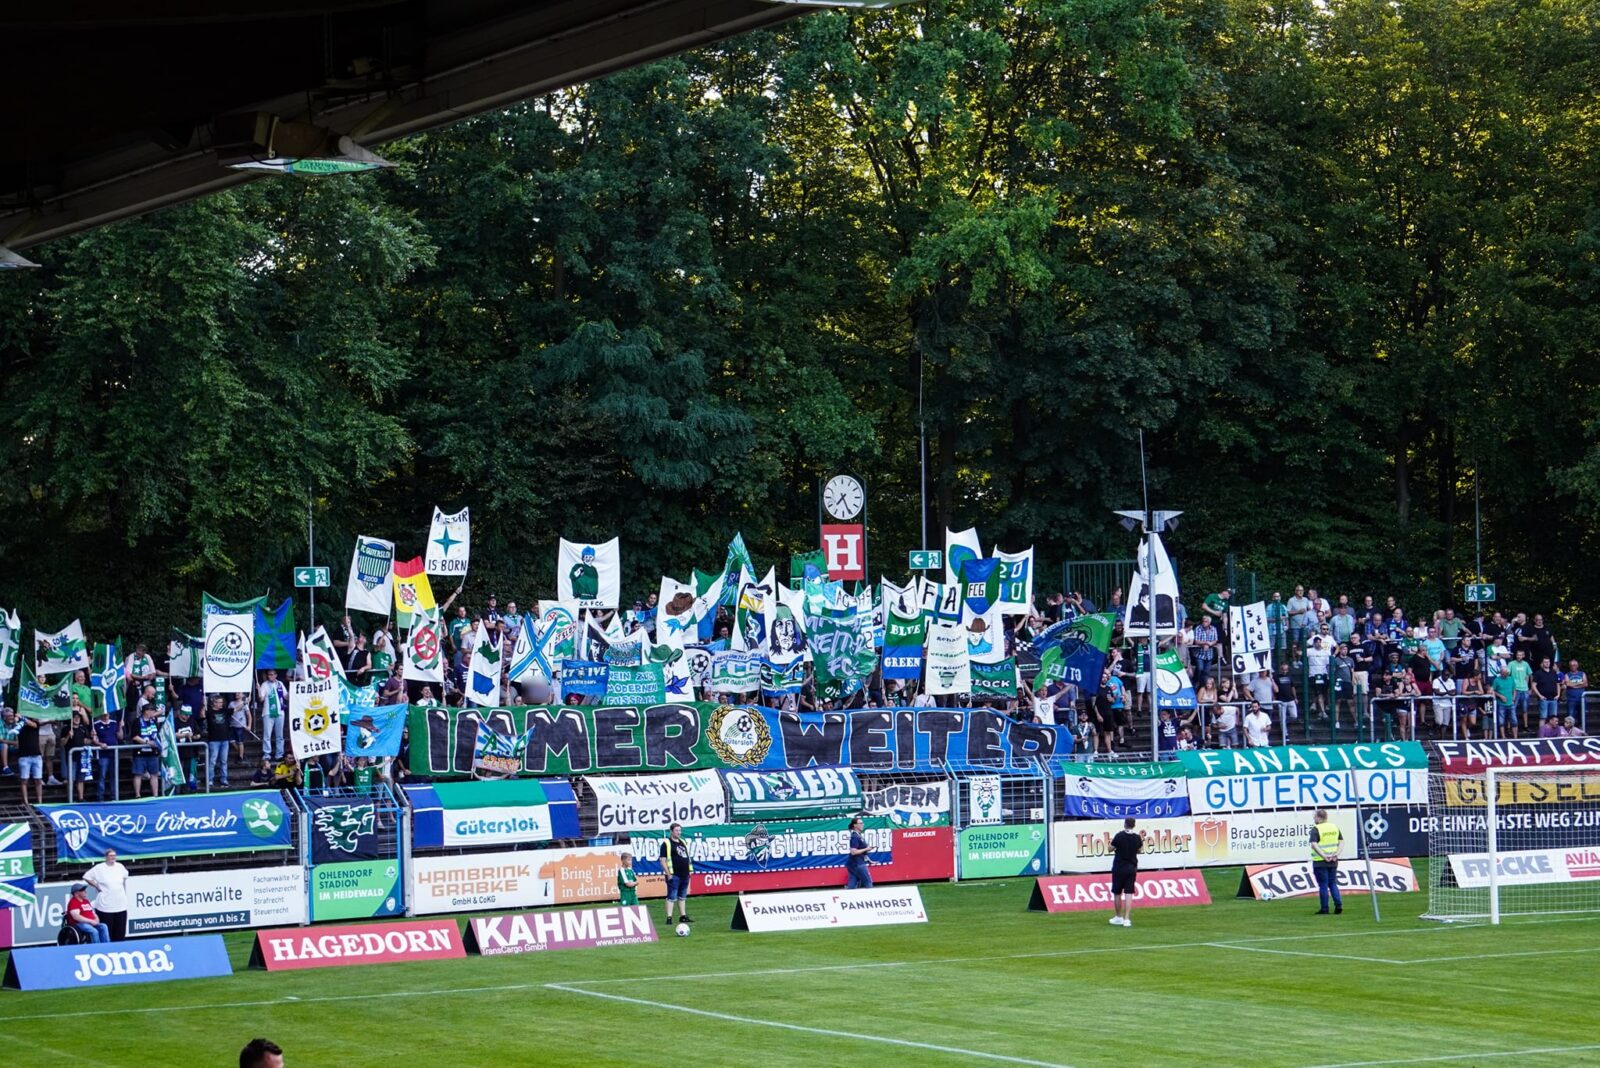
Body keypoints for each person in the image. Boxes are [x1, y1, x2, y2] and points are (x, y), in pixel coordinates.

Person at [83, 848, 130, 941]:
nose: (113, 857)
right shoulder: (99, 868)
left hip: (120, 905)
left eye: (114, 855)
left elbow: (125, 876)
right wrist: (96, 885)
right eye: (111, 855)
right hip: (105, 906)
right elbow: (86, 876)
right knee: (107, 933)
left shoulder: (120, 866)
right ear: (106, 857)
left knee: (120, 931)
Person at [1109, 817, 1142, 927]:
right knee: (1129, 893)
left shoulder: (1119, 836)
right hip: (1131, 868)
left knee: (1117, 892)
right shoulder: (1137, 837)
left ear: (1125, 824)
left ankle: (1118, 917)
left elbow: (1110, 848)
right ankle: (1126, 919)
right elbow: (1140, 850)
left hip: (1119, 867)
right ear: (1134, 825)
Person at [1310, 808, 1343, 915]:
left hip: (1320, 861)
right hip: (1333, 860)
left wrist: (1324, 856)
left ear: (1319, 817)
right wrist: (1336, 854)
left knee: (1323, 885)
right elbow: (1341, 842)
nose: (1314, 819)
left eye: (1315, 817)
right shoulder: (1334, 827)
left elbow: (1314, 844)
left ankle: (1324, 908)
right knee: (1332, 883)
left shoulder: (1316, 829)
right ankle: (1338, 905)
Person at [660, 822, 693, 926]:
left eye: (680, 830)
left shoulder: (683, 842)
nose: (679, 832)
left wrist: (689, 871)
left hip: (685, 873)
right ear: (671, 831)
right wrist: (668, 874)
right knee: (672, 896)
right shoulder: (666, 843)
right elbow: (662, 860)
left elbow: (687, 857)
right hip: (674, 874)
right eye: (677, 830)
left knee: (682, 896)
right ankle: (669, 917)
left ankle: (683, 916)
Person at [257, 669, 287, 762]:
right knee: (267, 735)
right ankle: (267, 754)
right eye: (269, 674)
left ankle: (279, 754)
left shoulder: (280, 684)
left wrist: (293, 690)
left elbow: (286, 696)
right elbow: (261, 699)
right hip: (268, 712)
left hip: (280, 712)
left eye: (272, 674)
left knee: (280, 735)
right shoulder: (264, 684)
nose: (271, 676)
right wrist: (258, 690)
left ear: (276, 675)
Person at [204, 695, 232, 789]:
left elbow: (236, 709)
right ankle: (210, 780)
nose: (221, 704)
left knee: (224, 761)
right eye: (219, 702)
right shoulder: (209, 712)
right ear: (214, 703)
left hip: (225, 740)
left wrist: (244, 703)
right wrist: (204, 705)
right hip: (214, 740)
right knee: (212, 761)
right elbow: (202, 715)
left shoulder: (225, 710)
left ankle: (224, 780)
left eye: (221, 702)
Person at [15, 712, 44, 804]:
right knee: (24, 780)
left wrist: (22, 718)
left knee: (38, 780)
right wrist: (17, 719)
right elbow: (13, 725)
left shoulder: (35, 724)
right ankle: (25, 802)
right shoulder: (19, 726)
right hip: (24, 756)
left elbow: (33, 724)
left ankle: (40, 802)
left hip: (36, 756)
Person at [845, 816, 873, 889]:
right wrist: (866, 848)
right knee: (868, 882)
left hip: (853, 863)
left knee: (852, 885)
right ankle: (871, 895)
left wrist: (869, 860)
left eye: (862, 823)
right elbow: (853, 852)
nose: (863, 824)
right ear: (855, 825)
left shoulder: (859, 835)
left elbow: (862, 852)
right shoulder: (855, 836)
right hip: (858, 863)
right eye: (860, 823)